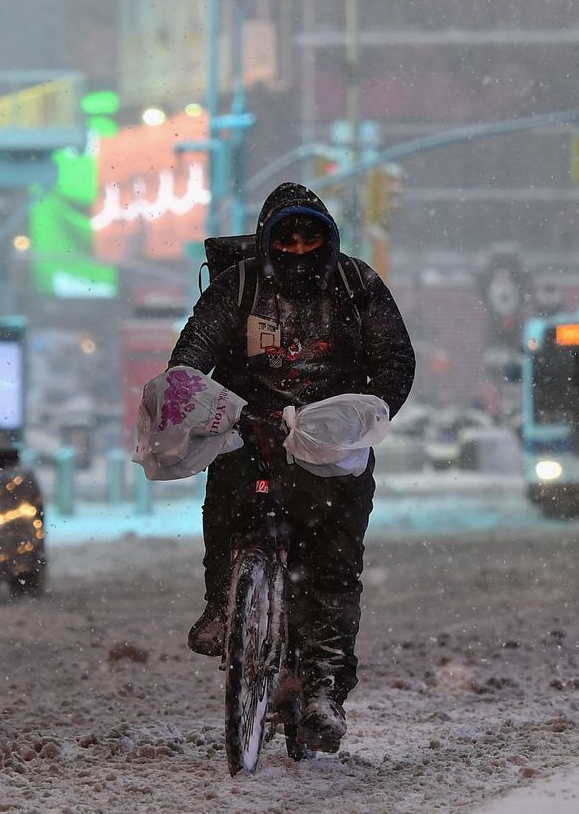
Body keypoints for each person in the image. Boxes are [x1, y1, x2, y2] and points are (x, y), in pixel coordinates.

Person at [168, 182, 415, 753]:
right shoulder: (237, 287)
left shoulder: (358, 285)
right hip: (250, 433)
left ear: (328, 238)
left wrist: (358, 415)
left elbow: (394, 360)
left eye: (310, 234)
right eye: (287, 235)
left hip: (331, 449)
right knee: (228, 502)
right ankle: (219, 606)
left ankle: (323, 686)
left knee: (333, 563)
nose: (299, 247)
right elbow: (192, 355)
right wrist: (202, 404)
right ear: (266, 240)